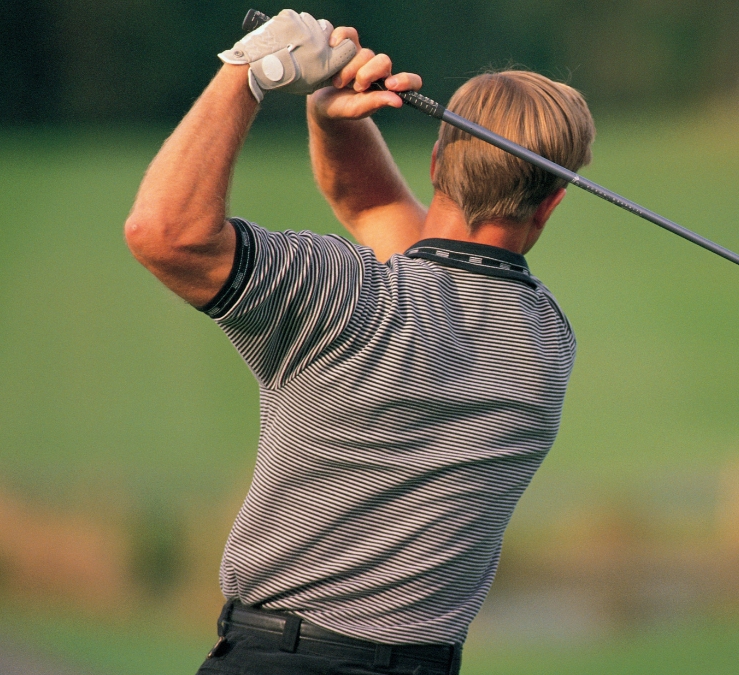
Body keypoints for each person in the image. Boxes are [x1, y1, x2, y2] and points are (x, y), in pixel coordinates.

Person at [124, 10, 595, 675]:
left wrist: (249, 72)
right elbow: (392, 224)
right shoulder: (547, 341)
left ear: (436, 161)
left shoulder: (346, 294)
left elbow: (164, 233)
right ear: (551, 203)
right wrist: (334, 118)